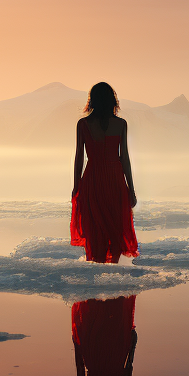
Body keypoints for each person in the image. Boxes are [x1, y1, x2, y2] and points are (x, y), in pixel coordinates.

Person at [70, 82, 139, 264]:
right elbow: (124, 158)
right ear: (112, 100)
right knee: (115, 227)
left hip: (92, 178)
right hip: (115, 179)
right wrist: (131, 188)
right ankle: (112, 275)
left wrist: (77, 184)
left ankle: (97, 271)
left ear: (92, 100)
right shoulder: (121, 124)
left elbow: (79, 157)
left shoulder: (83, 124)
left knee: (94, 227)